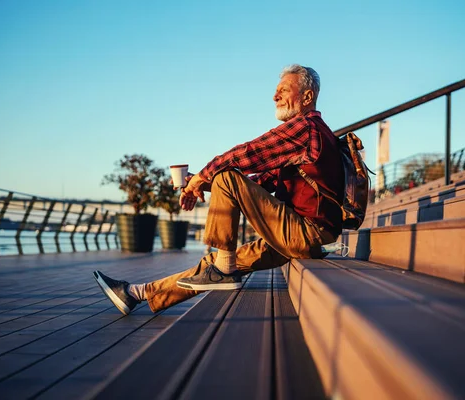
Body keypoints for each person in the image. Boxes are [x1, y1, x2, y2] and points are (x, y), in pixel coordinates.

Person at [94, 64, 344, 315]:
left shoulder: (305, 128)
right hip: (303, 235)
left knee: (226, 175)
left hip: (306, 232)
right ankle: (135, 294)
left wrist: (204, 178)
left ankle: (223, 271)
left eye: (283, 90)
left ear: (308, 96)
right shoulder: (307, 137)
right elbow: (257, 184)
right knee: (215, 262)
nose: (274, 96)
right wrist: (201, 182)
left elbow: (247, 155)